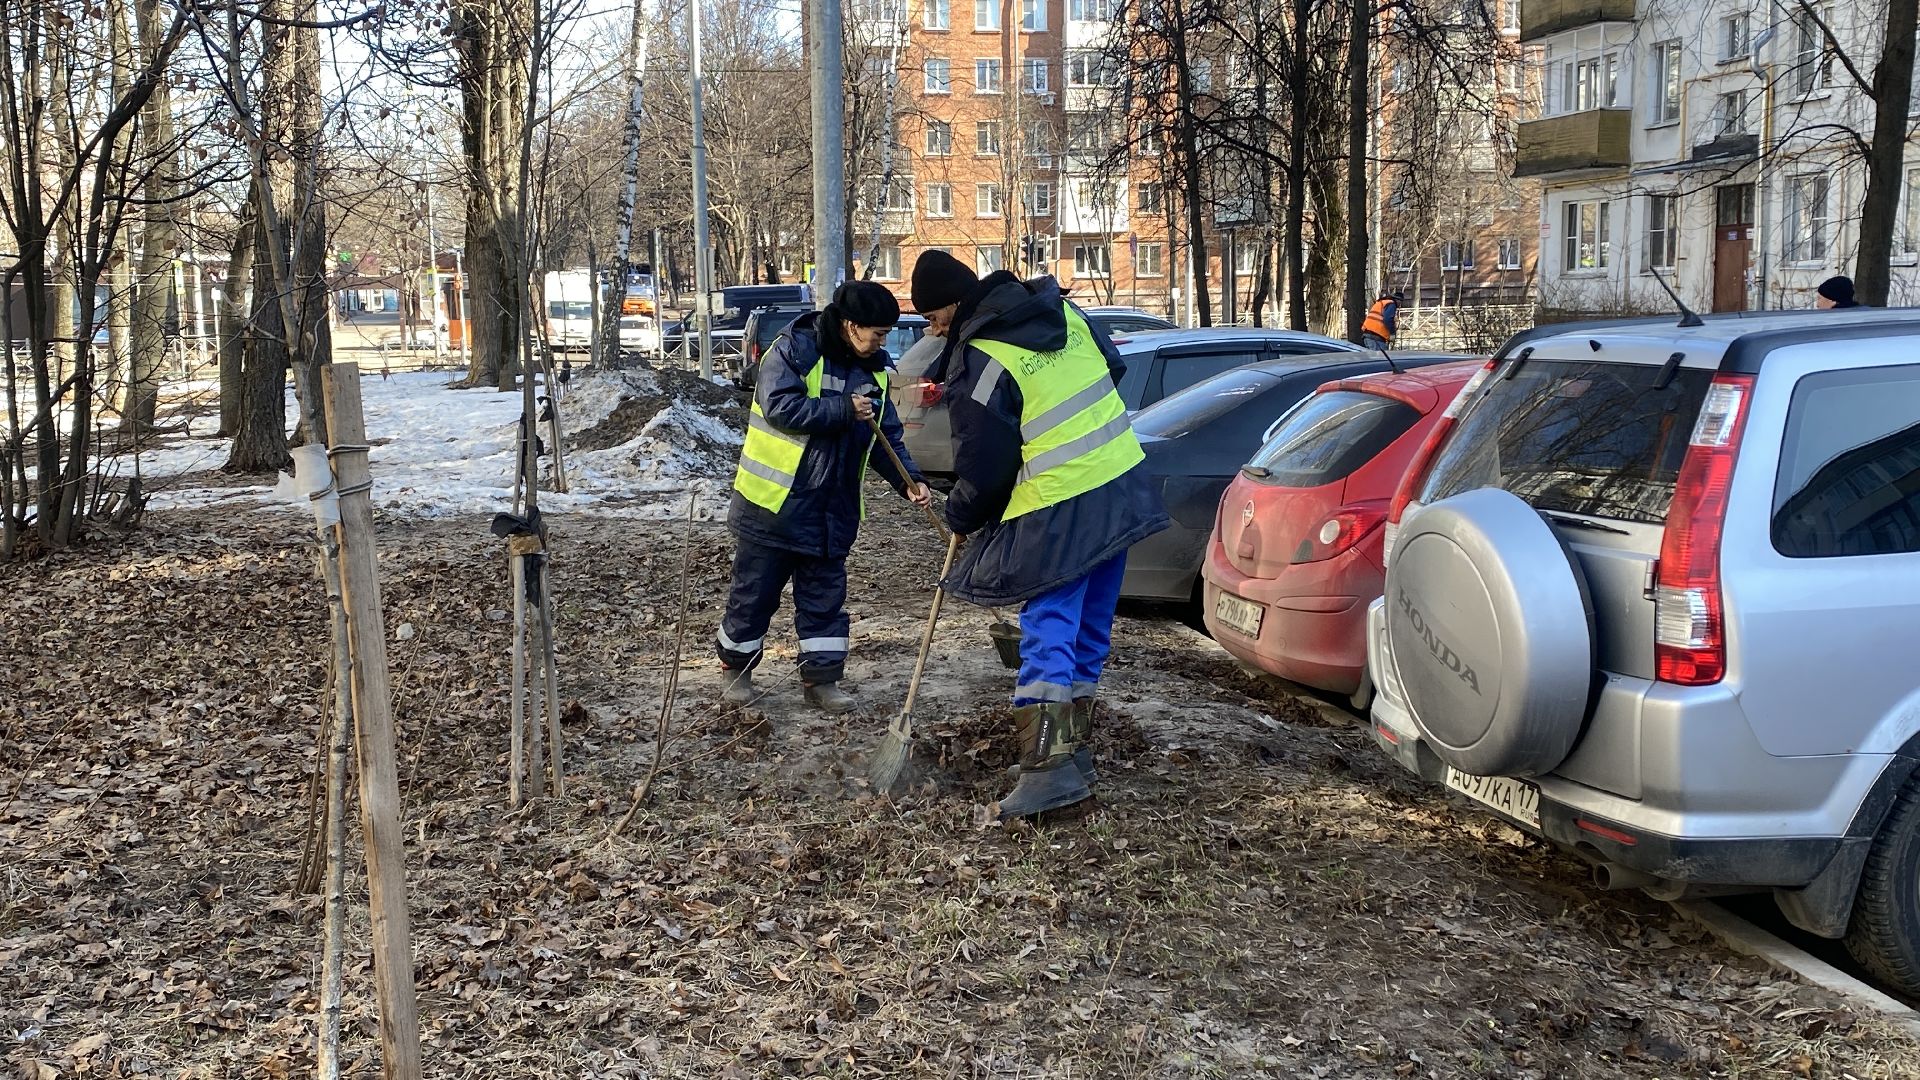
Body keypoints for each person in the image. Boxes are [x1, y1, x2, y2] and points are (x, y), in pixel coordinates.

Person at [909, 250, 1170, 820]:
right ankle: (1070, 753)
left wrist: (962, 511)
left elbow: (984, 465)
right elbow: (1111, 369)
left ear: (952, 306)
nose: (933, 329)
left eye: (932, 318)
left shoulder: (983, 355)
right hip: (1121, 483)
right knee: (1088, 623)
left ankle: (1048, 769)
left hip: (1062, 504)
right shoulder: (1063, 312)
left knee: (1049, 624)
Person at [718, 281, 931, 715]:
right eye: (877, 333)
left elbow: (884, 434)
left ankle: (822, 679)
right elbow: (780, 407)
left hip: (832, 511)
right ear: (851, 326)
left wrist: (909, 479)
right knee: (754, 595)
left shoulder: (873, 370)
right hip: (773, 507)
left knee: (825, 600)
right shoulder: (794, 349)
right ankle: (736, 670)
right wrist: (841, 410)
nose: (882, 341)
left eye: (886, 334)